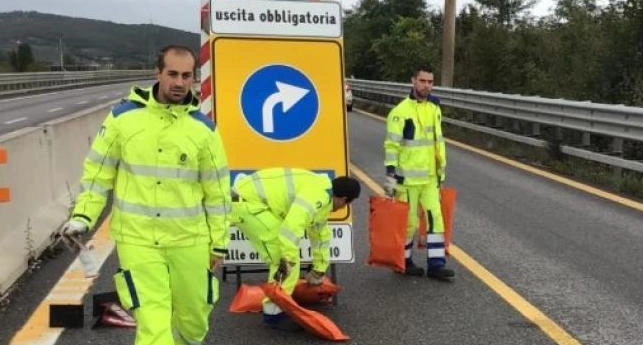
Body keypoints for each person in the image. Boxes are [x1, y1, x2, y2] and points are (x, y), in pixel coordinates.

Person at [59, 45, 232, 345]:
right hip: (137, 241)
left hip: (188, 240)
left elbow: (217, 192)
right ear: (158, 73)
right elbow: (98, 173)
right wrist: (83, 216)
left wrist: (218, 243)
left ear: (194, 78)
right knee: (153, 326)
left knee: (194, 320)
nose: (179, 83)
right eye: (172, 74)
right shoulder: (123, 119)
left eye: (186, 76)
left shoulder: (204, 130)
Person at [230, 168, 361, 330]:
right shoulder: (317, 196)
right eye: (347, 204)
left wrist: (319, 270)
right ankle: (273, 314)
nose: (343, 208)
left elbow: (320, 235)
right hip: (247, 205)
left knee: (287, 260)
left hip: (252, 202)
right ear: (344, 198)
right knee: (284, 261)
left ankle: (276, 308)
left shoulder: (323, 194)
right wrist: (288, 259)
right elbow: (291, 228)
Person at [383, 64, 455, 281]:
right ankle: (403, 262)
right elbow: (391, 146)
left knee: (436, 219)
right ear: (413, 81)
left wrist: (441, 174)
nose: (427, 85)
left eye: (430, 82)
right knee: (409, 223)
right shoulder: (400, 112)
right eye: (422, 81)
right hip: (407, 180)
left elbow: (437, 142)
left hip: (431, 178)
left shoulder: (434, 108)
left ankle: (436, 265)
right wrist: (390, 178)